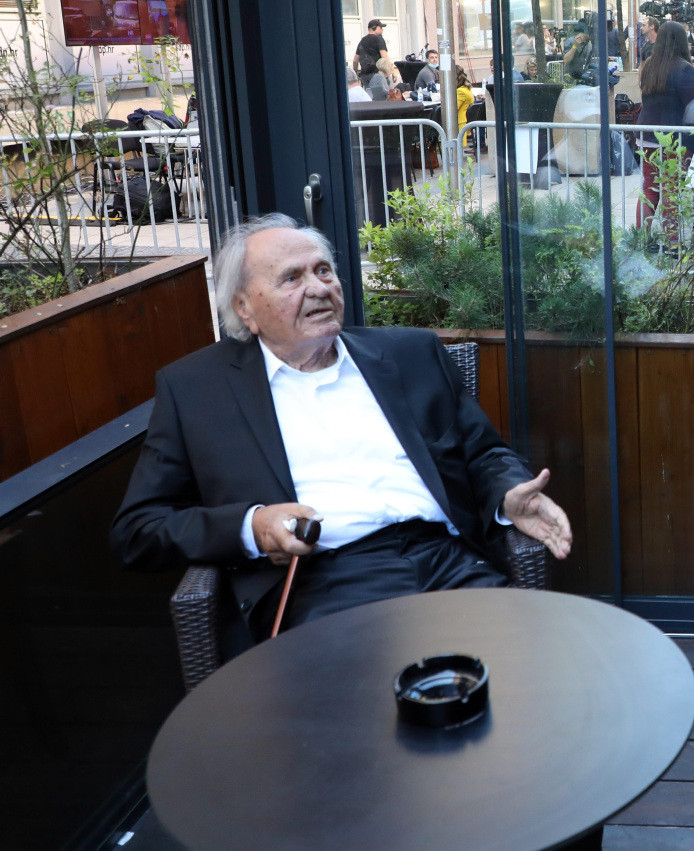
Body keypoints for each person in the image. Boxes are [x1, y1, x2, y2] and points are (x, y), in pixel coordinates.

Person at [109, 215, 572, 643]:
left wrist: (508, 493)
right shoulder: (197, 390)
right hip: (327, 582)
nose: (318, 288)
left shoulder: (412, 354)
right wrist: (253, 526)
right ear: (244, 308)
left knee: (522, 667)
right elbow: (138, 530)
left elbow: (484, 453)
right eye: (292, 278)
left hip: (451, 561)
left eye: (323, 271)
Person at [635, 20, 694, 230]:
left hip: (647, 134)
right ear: (682, 41)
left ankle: (640, 237)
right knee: (671, 189)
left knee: (650, 188)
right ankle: (671, 240)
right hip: (675, 139)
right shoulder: (684, 69)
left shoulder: (649, 64)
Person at [354, 19, 389, 85]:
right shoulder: (379, 39)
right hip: (377, 75)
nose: (382, 30)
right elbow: (384, 57)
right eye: (380, 28)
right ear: (374, 28)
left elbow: (355, 60)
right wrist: (392, 72)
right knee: (381, 91)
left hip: (364, 75)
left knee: (368, 91)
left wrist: (355, 72)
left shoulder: (362, 41)